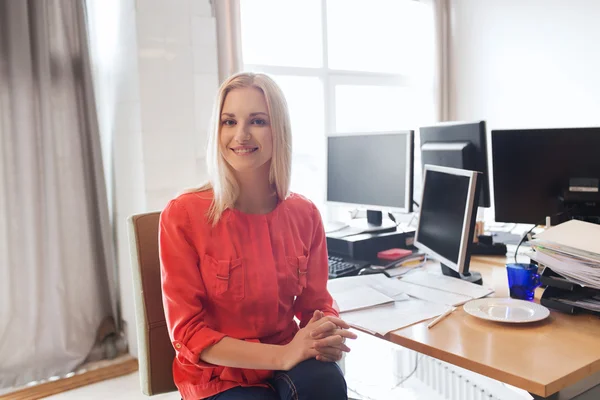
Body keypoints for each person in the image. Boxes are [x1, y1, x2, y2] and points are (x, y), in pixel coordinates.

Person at [159, 72, 357, 400]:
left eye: (258, 121)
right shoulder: (182, 216)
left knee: (328, 382)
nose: (241, 134)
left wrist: (326, 331)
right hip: (218, 375)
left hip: (287, 355)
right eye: (229, 121)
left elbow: (316, 303)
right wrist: (283, 355)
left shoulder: (305, 214)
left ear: (278, 129)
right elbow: (189, 333)